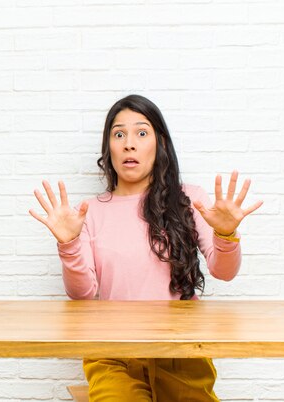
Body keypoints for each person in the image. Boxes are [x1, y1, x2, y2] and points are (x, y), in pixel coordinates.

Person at [28, 94, 263, 401]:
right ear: (108, 148)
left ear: (160, 144)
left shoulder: (189, 198)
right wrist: (68, 243)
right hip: (113, 354)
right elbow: (82, 293)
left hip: (181, 352)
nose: (129, 144)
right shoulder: (90, 212)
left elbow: (224, 271)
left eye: (141, 132)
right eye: (119, 134)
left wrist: (226, 232)